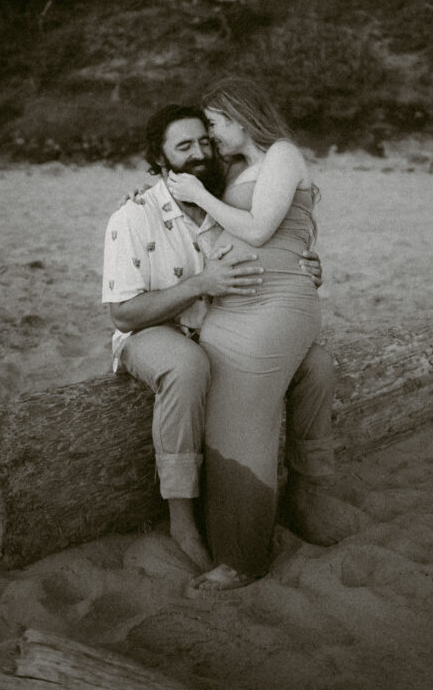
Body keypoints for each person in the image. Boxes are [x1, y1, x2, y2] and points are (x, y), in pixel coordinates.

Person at [102, 101, 351, 577]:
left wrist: (307, 266)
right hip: (157, 332)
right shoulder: (133, 217)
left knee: (317, 364)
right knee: (188, 366)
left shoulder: (229, 195)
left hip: (227, 328)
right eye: (183, 146)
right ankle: (181, 518)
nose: (199, 152)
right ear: (160, 158)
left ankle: (304, 493)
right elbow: (123, 312)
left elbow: (272, 236)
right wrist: (200, 284)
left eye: (204, 140)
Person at [166, 78, 328, 592]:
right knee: (221, 420)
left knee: (243, 423)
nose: (210, 135)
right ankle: (239, 532)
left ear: (240, 116)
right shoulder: (234, 170)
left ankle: (243, 559)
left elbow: (259, 230)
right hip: (231, 308)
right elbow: (220, 235)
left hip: (276, 305)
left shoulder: (282, 154)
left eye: (214, 123)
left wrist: (197, 195)